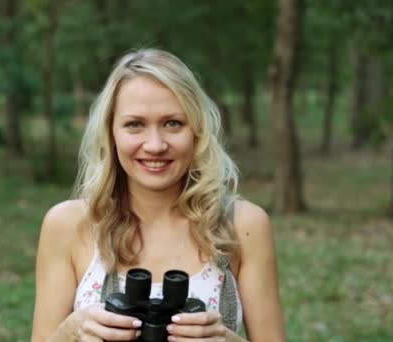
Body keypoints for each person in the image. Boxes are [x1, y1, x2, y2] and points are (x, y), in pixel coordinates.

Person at [31, 48, 285, 342]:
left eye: (172, 123)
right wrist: (71, 330)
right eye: (135, 124)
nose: (155, 145)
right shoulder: (68, 225)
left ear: (197, 131)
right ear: (111, 133)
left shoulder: (243, 225)